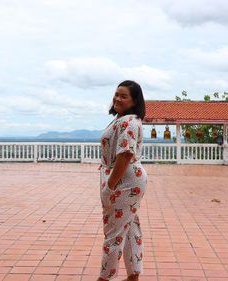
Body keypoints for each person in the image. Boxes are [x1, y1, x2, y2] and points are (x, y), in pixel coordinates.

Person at [98, 80, 147, 281]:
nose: (117, 98)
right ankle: (134, 275)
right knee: (130, 227)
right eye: (116, 94)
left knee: (113, 233)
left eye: (123, 96)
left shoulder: (128, 121)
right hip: (130, 180)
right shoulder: (125, 119)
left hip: (123, 183)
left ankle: (105, 278)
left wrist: (110, 185)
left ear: (134, 101)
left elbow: (125, 154)